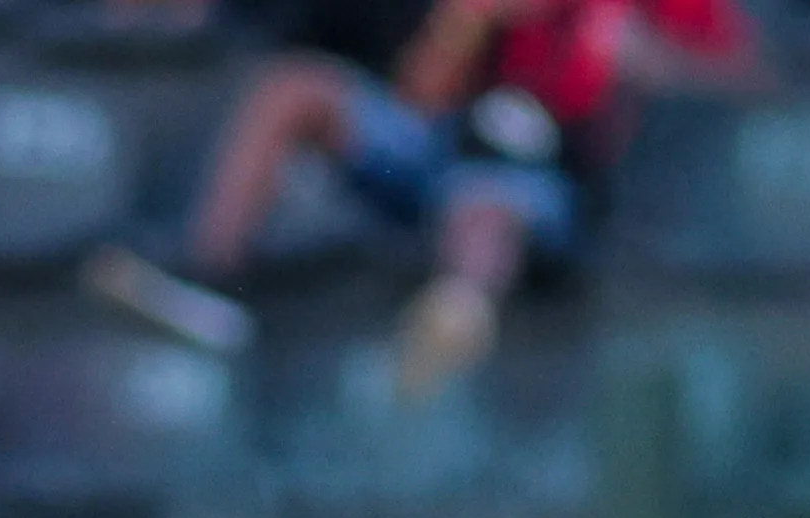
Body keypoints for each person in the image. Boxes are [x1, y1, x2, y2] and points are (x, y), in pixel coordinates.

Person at [96, 0, 760, 398]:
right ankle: (212, 279)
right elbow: (418, 100)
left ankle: (453, 317)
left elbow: (752, 86)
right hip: (446, 153)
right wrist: (466, 23)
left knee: (487, 206)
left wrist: (652, 61)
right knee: (294, 88)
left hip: (560, 181)